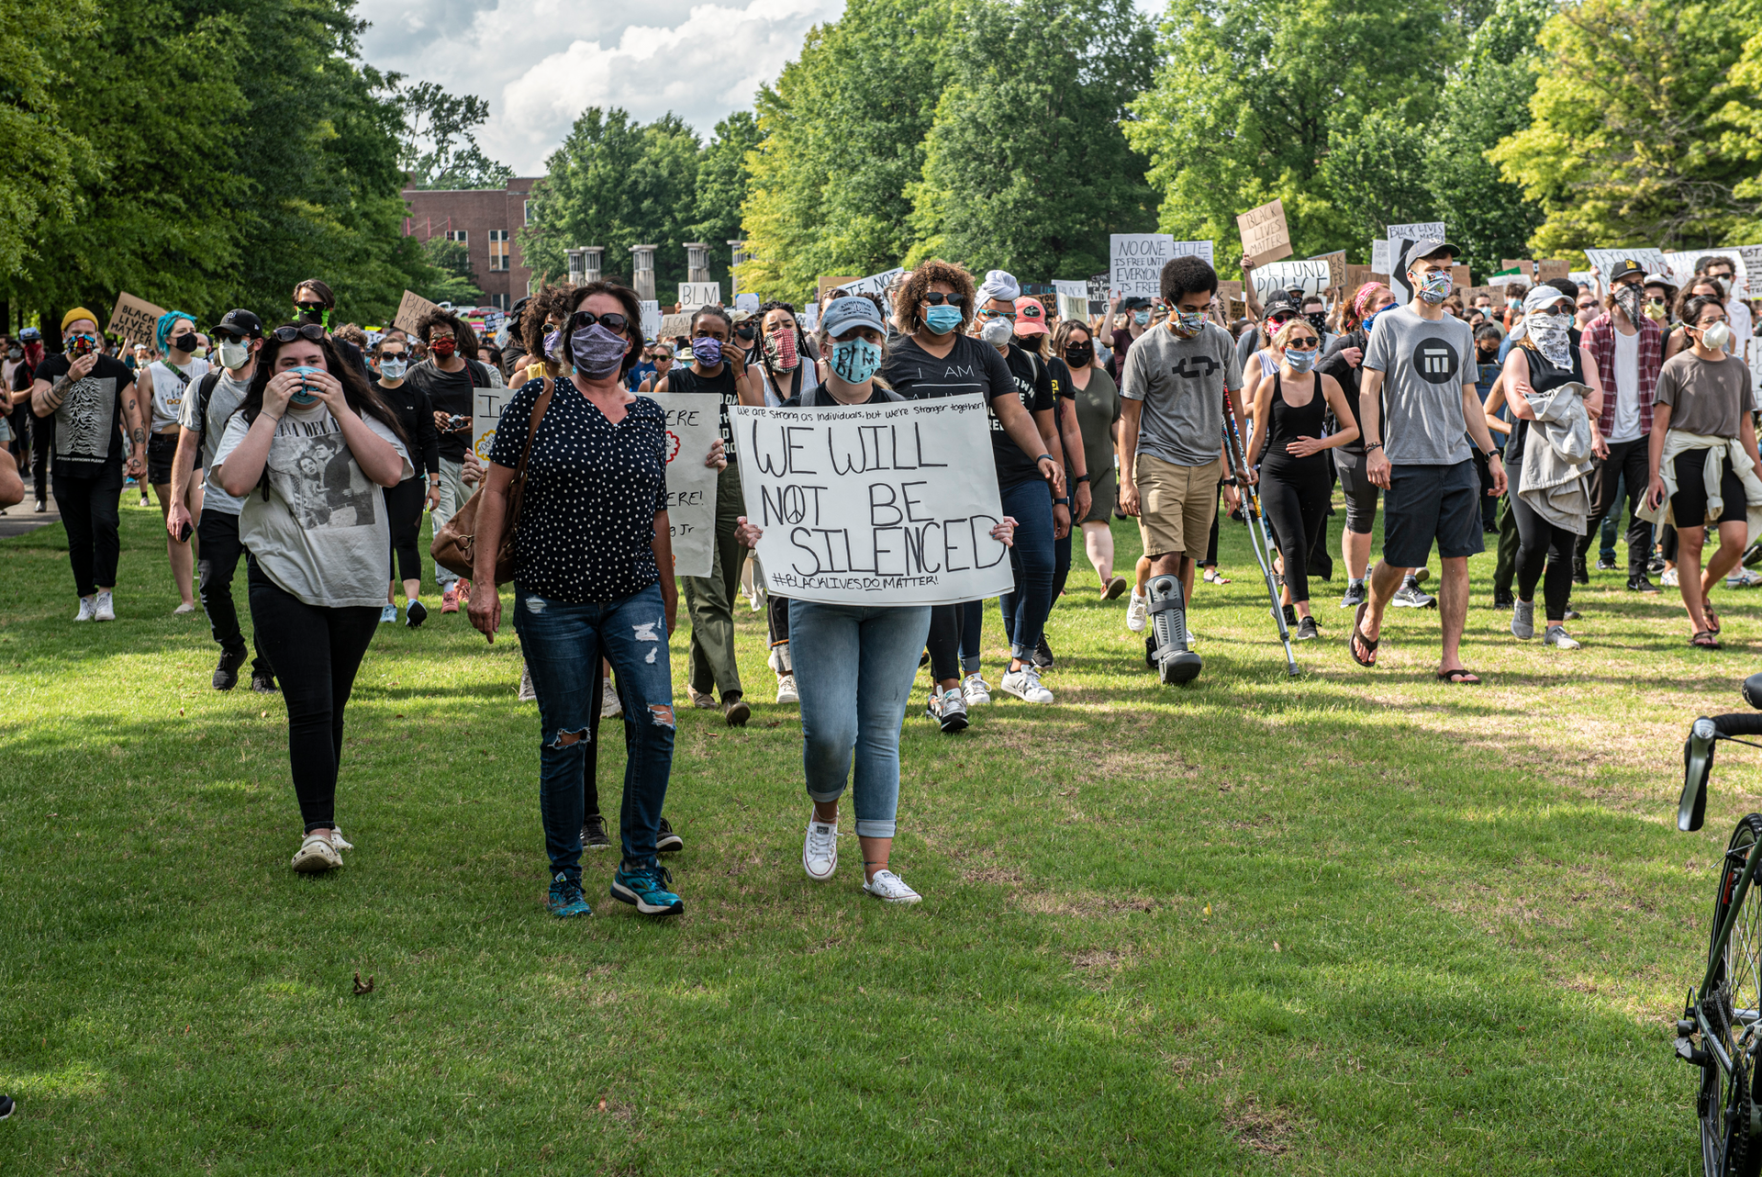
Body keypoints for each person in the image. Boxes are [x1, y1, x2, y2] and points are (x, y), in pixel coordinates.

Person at [736, 297, 1017, 902]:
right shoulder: (789, 420)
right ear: (825, 345)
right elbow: (771, 504)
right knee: (831, 732)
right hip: (821, 597)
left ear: (880, 342)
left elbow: (954, 498)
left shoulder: (915, 421)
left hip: (901, 596)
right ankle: (825, 815)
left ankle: (877, 868)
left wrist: (987, 529)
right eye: (847, 337)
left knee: (882, 728)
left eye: (869, 336)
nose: (858, 347)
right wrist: (757, 529)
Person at [467, 280, 693, 919]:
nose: (597, 332)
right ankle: (565, 873)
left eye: (613, 323)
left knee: (656, 723)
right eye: (586, 320)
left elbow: (657, 515)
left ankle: (638, 867)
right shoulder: (537, 398)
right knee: (568, 734)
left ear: (632, 341)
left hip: (633, 593)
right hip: (552, 597)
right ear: (567, 332)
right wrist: (483, 583)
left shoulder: (650, 415)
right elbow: (497, 494)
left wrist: (667, 593)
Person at [209, 322, 412, 872]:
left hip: (357, 581)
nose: (302, 371)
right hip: (283, 577)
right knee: (310, 706)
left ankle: (327, 820)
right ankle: (317, 832)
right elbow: (234, 483)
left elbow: (391, 471)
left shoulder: (363, 412)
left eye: (314, 362)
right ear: (269, 373)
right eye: (288, 363)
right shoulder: (249, 420)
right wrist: (271, 414)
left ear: (333, 368)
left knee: (332, 705)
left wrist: (344, 410)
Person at [882, 261, 1062, 724]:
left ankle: (1015, 664)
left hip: (978, 483)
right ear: (914, 304)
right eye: (934, 300)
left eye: (953, 300)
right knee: (945, 583)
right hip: (920, 488)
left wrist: (1042, 456)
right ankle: (950, 686)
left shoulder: (982, 355)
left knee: (1022, 566)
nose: (945, 308)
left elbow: (1014, 413)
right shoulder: (894, 356)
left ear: (966, 305)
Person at [1349, 239, 1507, 683]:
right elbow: (1369, 390)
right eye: (1432, 267)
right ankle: (1373, 613)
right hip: (1407, 461)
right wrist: (1374, 448)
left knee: (1457, 560)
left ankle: (1450, 659)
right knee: (1399, 560)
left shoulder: (1460, 330)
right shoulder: (1390, 324)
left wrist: (1490, 455)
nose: (1442, 274)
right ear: (1411, 275)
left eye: (1447, 267)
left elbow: (1468, 398)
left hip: (1457, 460)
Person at [1119, 254, 1251, 684]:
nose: (1198, 316)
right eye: (1189, 309)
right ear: (1168, 302)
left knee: (1190, 556)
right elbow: (1130, 419)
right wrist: (1126, 478)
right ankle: (1170, 643)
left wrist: (1239, 463)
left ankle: (1169, 630)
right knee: (1166, 553)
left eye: (1205, 307)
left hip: (1207, 461)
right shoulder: (1144, 349)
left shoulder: (1221, 341)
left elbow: (1235, 407)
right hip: (1159, 461)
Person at [654, 306, 762, 726]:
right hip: (689, 487)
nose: (710, 341)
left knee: (725, 591)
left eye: (719, 334)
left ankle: (699, 683)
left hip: (734, 484)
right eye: (703, 333)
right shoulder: (672, 382)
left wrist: (737, 375)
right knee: (706, 590)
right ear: (689, 336)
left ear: (731, 338)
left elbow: (758, 423)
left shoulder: (746, 377)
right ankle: (731, 692)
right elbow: (655, 439)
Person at [1484, 284, 1604, 650]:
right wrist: (1572, 397)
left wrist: (1547, 400)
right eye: (1553, 310)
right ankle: (1523, 600)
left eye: (1565, 311)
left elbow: (1596, 403)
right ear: (1533, 314)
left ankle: (1555, 626)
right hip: (1527, 457)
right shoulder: (1519, 355)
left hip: (1570, 457)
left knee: (1563, 545)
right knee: (1533, 542)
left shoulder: (1580, 355)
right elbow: (1520, 409)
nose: (1561, 317)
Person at [167, 310, 278, 692]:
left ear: (256, 344)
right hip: (218, 503)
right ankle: (231, 647)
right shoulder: (203, 386)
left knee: (268, 590)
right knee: (212, 583)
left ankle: (266, 667)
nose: (225, 345)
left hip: (267, 505)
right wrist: (177, 503)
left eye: (235, 338)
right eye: (221, 338)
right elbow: (188, 446)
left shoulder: (272, 387)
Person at [1643, 294, 1761, 648]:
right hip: (1685, 458)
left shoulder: (1738, 367)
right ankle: (1698, 624)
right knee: (1691, 543)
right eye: (1710, 320)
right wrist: (1654, 476)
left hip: (1727, 456)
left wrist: (1758, 470)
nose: (1718, 325)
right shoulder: (1675, 367)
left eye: (1720, 317)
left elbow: (1744, 426)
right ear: (1690, 329)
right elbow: (1660, 426)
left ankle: (1704, 590)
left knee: (1736, 540)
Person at [969, 273, 1066, 702]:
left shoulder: (1031, 366)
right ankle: (967, 672)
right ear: (975, 317)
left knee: (1040, 566)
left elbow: (1049, 431)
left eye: (1010, 316)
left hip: (1025, 476)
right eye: (994, 314)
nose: (1002, 323)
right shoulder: (960, 359)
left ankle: (1021, 664)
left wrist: (1060, 491)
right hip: (970, 479)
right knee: (970, 576)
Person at [1247, 318, 1360, 639]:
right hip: (1276, 472)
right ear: (1283, 347)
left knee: (1305, 547)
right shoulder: (1269, 384)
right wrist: (1245, 471)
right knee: (1293, 542)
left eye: (1311, 342)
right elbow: (1257, 437)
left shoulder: (1326, 383)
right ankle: (1305, 618)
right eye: (1298, 343)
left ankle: (1284, 604)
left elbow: (1351, 429)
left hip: (1315, 475)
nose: (1306, 348)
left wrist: (1320, 443)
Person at [30, 309, 145, 621]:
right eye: (76, 332)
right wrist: (70, 378)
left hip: (105, 465)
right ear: (65, 336)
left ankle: (106, 594)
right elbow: (39, 407)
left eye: (90, 332)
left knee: (105, 523)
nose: (84, 337)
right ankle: (86, 599)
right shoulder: (50, 367)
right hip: (67, 468)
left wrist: (139, 450)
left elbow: (133, 412)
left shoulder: (116, 368)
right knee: (78, 537)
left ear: (97, 337)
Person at [748, 300, 819, 703]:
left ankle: (814, 659)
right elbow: (756, 425)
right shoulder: (755, 374)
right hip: (774, 488)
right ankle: (785, 670)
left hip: (817, 486)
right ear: (761, 336)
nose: (780, 333)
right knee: (779, 580)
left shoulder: (817, 371)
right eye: (772, 327)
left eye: (787, 325)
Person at [1576, 258, 1661, 593]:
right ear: (1612, 289)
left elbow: (1655, 381)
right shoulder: (1595, 329)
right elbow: (1586, 386)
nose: (1634, 289)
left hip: (1642, 431)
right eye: (1627, 283)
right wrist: (1594, 432)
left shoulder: (1652, 330)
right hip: (1606, 431)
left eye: (1639, 284)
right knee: (1598, 505)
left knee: (1643, 505)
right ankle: (1575, 559)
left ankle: (1638, 574)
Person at [1012, 293, 1087, 669]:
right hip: (1010, 472)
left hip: (1051, 470)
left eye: (1032, 332)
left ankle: (1032, 625)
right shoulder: (995, 363)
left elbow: (1066, 428)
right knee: (1020, 566)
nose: (1026, 339)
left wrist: (1079, 481)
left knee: (1058, 564)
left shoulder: (1054, 367)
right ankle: (1025, 641)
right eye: (1019, 331)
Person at [406, 308, 498, 614]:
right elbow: (407, 413)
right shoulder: (417, 374)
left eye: (448, 336)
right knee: (442, 521)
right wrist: (430, 417)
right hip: (436, 458)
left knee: (474, 522)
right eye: (437, 337)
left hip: (473, 458)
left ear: (457, 338)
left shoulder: (477, 371)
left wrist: (476, 424)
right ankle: (448, 590)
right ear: (427, 342)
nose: (443, 341)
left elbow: (492, 414)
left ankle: (466, 581)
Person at [137, 311, 210, 613]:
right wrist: (138, 456)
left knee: (201, 512)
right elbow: (142, 419)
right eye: (183, 330)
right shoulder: (149, 374)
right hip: (163, 449)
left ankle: (210, 589)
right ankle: (187, 599)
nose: (190, 335)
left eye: (193, 329)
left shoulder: (206, 368)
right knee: (176, 523)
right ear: (167, 338)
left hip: (198, 447)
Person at [372, 335, 440, 626]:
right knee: (381, 541)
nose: (395, 362)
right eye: (388, 357)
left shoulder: (418, 397)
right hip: (373, 476)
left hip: (411, 477)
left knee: (406, 539)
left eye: (401, 356)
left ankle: (413, 601)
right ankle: (388, 605)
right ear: (376, 361)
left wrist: (434, 482)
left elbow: (429, 439)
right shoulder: (367, 395)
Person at [1057, 317, 1127, 598]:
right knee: (1055, 526)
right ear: (1061, 345)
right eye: (1073, 344)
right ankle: (1053, 581)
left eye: (1086, 344)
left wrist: (1127, 459)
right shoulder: (1051, 375)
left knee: (1097, 522)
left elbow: (1116, 422)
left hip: (1100, 469)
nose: (1080, 349)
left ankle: (1106, 580)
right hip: (1061, 469)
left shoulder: (1103, 378)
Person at [292, 279, 372, 384]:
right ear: (296, 307)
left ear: (330, 308)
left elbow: (364, 395)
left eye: (318, 306)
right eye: (304, 305)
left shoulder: (349, 351)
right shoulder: (282, 346)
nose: (311, 309)